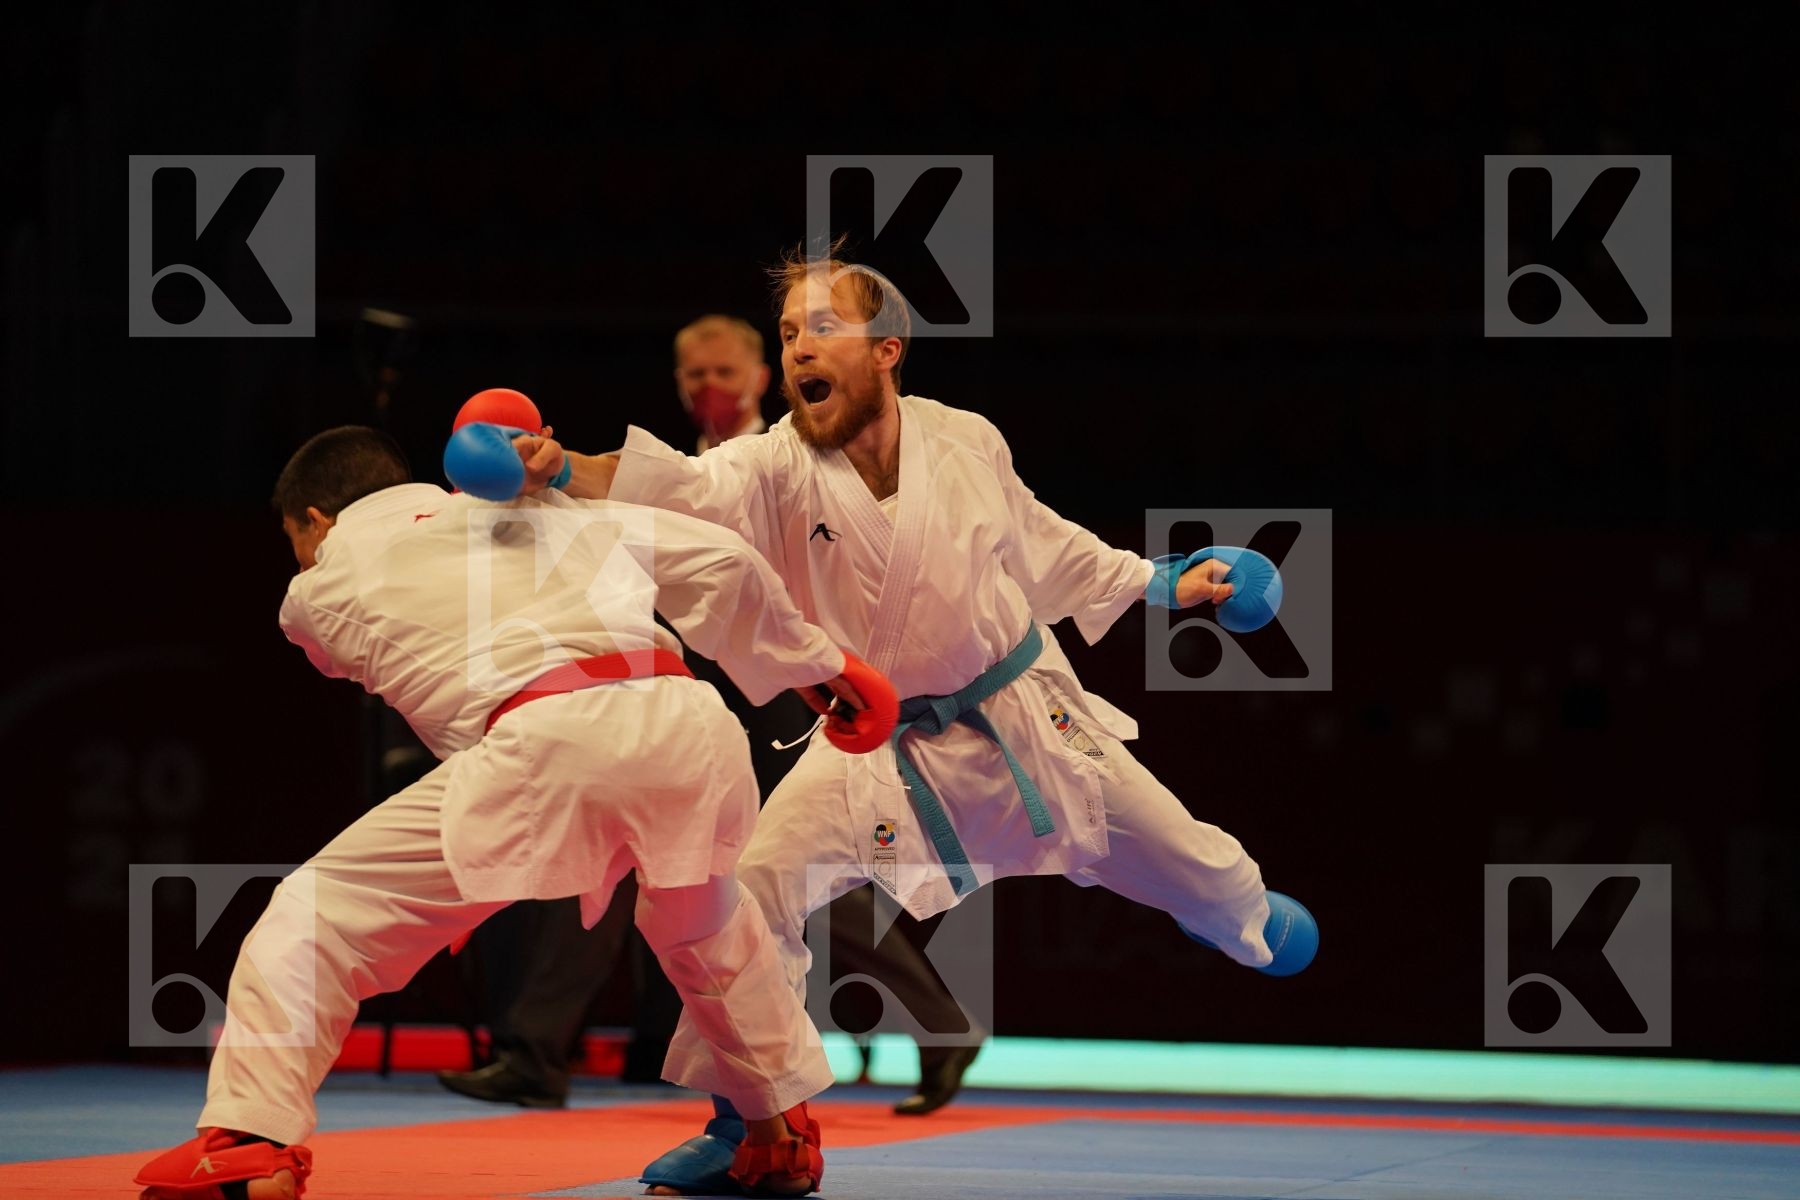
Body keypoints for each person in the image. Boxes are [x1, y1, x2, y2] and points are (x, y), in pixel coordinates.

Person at [515, 237, 1319, 1197]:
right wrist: (566, 469)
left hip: (1023, 721)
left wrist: (1166, 582)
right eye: (788, 333)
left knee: (1197, 867)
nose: (802, 347)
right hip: (874, 746)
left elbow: (1046, 544)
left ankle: (1232, 916)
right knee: (748, 896)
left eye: (824, 326)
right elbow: (680, 487)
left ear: (887, 348)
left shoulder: (968, 440)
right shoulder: (772, 465)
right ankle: (746, 1123)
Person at [133, 425, 899, 1200]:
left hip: (551, 739)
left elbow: (331, 639)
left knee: (315, 917)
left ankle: (250, 1143)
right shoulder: (543, 507)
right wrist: (815, 665)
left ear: (317, 520)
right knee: (707, 934)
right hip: (691, 724)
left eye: (296, 539)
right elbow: (721, 559)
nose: (298, 559)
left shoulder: (319, 586)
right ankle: (776, 1142)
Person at [672, 313, 987, 1114]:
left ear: (757, 376)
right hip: (709, 690)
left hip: (799, 685)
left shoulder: (793, 452)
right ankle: (703, 1053)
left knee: (804, 872)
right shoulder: (694, 470)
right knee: (723, 868)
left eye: (722, 373)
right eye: (691, 375)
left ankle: (934, 1024)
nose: (707, 388)